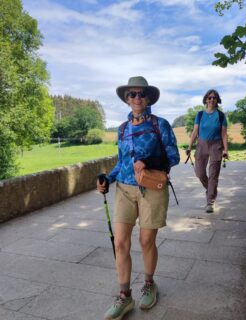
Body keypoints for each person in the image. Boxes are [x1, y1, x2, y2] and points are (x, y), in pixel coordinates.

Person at [97, 76, 180, 320]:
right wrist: (107, 178)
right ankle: (124, 296)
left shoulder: (160, 125)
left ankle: (149, 284)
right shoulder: (122, 129)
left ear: (148, 98)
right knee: (120, 243)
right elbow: (122, 163)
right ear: (126, 99)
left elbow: (173, 157)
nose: (136, 98)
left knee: (146, 241)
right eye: (132, 94)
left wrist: (149, 162)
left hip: (152, 188)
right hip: (124, 188)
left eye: (141, 94)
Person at [186, 89, 228, 213]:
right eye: (209, 97)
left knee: (213, 175)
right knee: (199, 173)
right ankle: (210, 190)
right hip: (201, 145)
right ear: (206, 99)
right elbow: (194, 132)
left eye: (214, 98)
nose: (211, 100)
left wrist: (226, 150)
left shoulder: (221, 116)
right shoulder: (199, 115)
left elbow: (224, 134)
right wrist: (189, 146)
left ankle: (210, 202)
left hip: (216, 145)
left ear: (217, 100)